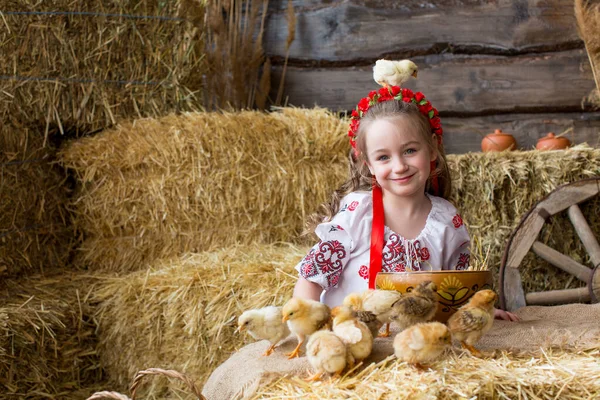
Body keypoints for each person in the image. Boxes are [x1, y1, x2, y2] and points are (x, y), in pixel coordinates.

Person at [293, 85, 519, 321]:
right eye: (383, 157)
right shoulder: (356, 214)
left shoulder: (447, 220)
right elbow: (311, 281)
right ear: (369, 164)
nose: (399, 166)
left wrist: (481, 309)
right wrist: (311, 327)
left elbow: (454, 290)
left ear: (432, 149)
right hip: (351, 338)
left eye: (410, 150)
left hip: (416, 343)